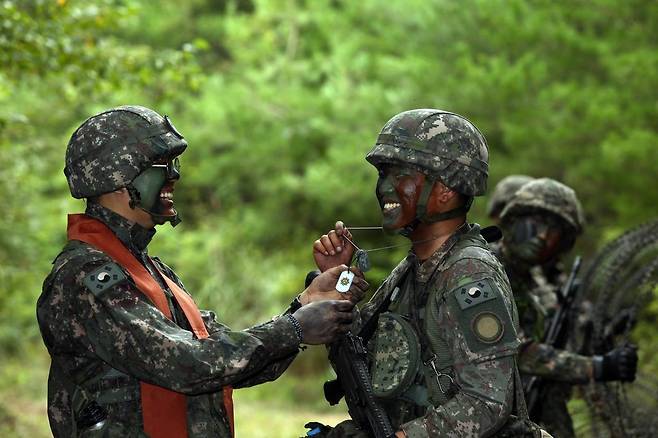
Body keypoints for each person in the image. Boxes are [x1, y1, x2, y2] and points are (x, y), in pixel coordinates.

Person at [37, 105, 368, 438]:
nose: (174, 176)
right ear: (116, 181)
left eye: (174, 165)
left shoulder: (148, 270)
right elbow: (188, 365)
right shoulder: (85, 276)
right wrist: (295, 328)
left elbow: (230, 364)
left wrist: (305, 305)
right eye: (161, 166)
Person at [312, 109, 535, 437]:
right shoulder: (412, 270)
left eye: (400, 176)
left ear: (444, 189)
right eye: (382, 174)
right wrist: (338, 291)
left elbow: (487, 402)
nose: (384, 188)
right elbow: (369, 367)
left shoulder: (468, 274)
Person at [495, 177, 638, 438]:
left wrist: (603, 336)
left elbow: (563, 341)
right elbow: (509, 349)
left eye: (554, 232)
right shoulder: (482, 269)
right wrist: (595, 366)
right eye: (535, 223)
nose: (542, 236)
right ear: (513, 220)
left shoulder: (536, 282)